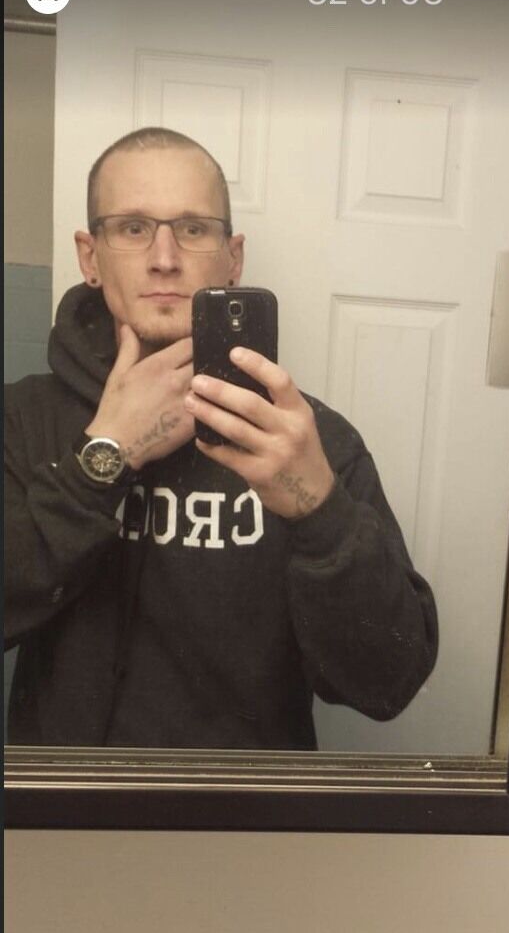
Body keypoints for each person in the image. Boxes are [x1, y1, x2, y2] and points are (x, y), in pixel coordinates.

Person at [4, 127, 438, 749]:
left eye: (193, 228)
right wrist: (106, 456)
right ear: (90, 257)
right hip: (68, 802)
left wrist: (320, 510)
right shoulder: (23, 419)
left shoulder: (307, 441)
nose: (164, 257)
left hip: (247, 805)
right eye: (132, 227)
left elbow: (387, 685)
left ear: (232, 259)